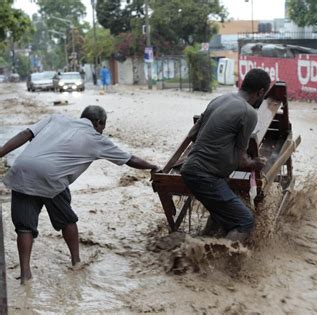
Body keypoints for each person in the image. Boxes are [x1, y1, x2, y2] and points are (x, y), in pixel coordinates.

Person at [0, 105, 159, 284]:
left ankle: (25, 274)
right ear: (99, 123)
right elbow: (130, 159)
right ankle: (76, 262)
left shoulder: (56, 119)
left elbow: (25, 134)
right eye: (102, 128)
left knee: (24, 227)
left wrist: (0, 153)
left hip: (22, 169)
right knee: (67, 219)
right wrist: (153, 167)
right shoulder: (96, 138)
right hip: (52, 177)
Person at [180, 68, 271, 242]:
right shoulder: (249, 113)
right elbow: (240, 160)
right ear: (260, 92)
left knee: (220, 214)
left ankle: (200, 249)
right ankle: (220, 265)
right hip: (206, 176)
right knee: (245, 221)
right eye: (263, 94)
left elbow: (192, 135)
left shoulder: (219, 99)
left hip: (189, 169)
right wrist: (255, 163)